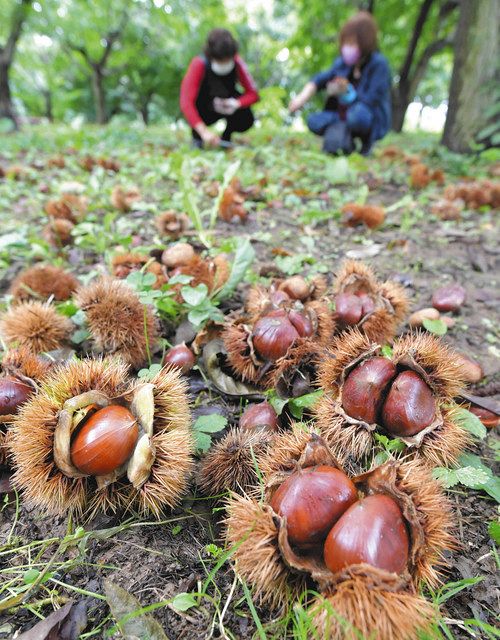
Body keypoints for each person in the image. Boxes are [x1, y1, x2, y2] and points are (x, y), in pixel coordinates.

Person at [288, 11, 391, 155]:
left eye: (351, 43)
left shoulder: (379, 64)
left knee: (358, 115)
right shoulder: (342, 64)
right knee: (314, 121)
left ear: (364, 42)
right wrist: (301, 98)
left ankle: (364, 141)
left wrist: (349, 94)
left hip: (364, 117)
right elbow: (319, 80)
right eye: (345, 43)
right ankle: (343, 139)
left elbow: (373, 99)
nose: (346, 48)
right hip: (341, 116)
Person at [180, 29, 259, 148]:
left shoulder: (237, 63)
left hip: (228, 105)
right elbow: (186, 102)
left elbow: (253, 94)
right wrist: (204, 131)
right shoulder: (199, 64)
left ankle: (226, 136)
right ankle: (198, 137)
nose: (225, 63)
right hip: (205, 108)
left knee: (246, 117)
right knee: (196, 108)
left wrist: (236, 103)